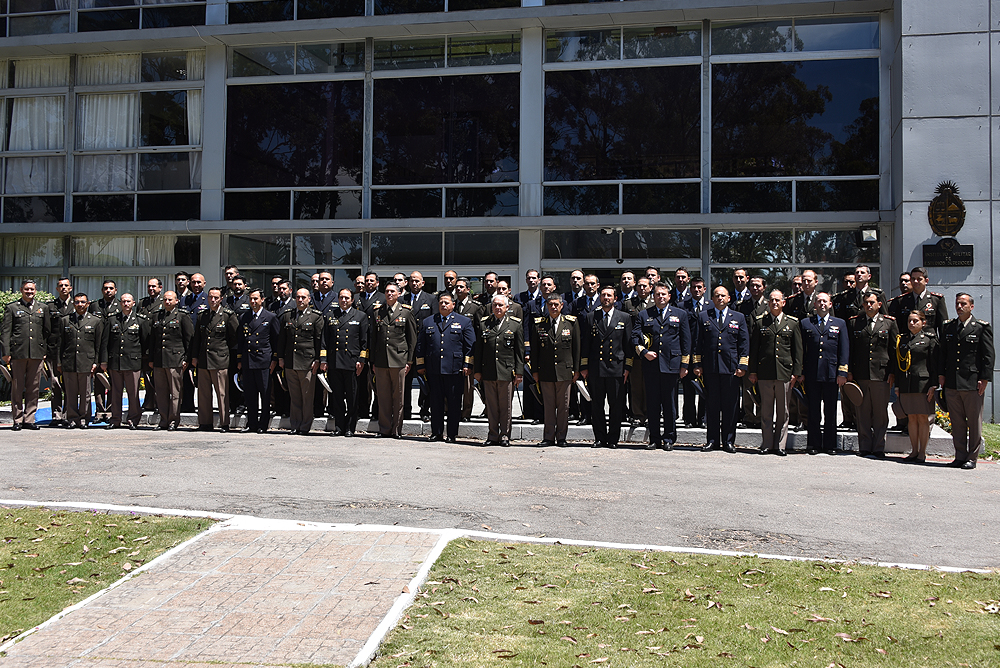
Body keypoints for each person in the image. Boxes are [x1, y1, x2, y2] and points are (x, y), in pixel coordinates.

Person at [938, 293, 994, 469]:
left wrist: (984, 378)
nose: (959, 307)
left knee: (973, 422)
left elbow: (988, 355)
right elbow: (943, 354)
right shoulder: (949, 327)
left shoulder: (981, 328)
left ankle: (972, 457)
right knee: (957, 421)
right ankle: (960, 456)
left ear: (971, 306)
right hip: (953, 382)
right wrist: (941, 375)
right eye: (957, 304)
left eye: (963, 304)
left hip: (972, 382)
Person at [632, 281, 690, 450]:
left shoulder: (680, 314)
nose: (661, 297)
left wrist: (684, 365)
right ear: (653, 296)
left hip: (671, 366)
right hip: (651, 366)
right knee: (653, 404)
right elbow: (635, 338)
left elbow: (686, 341)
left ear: (669, 296)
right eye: (657, 294)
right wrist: (644, 353)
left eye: (663, 294)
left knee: (669, 405)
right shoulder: (644, 315)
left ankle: (669, 439)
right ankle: (655, 439)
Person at [692, 286, 749, 452]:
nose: (720, 298)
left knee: (731, 407)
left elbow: (744, 343)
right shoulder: (704, 316)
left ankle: (729, 441)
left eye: (723, 295)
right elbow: (697, 343)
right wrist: (697, 365)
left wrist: (742, 365)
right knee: (712, 406)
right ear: (712, 298)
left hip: (731, 369)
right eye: (717, 296)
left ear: (729, 298)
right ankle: (712, 440)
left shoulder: (738, 317)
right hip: (710, 368)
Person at [748, 290, 802, 456]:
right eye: (771, 300)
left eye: (777, 300)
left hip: (784, 373)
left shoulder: (792, 323)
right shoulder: (760, 322)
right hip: (765, 373)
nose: (774, 303)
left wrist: (796, 373)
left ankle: (780, 445)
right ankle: (767, 444)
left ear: (783, 302)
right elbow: (754, 349)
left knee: (783, 411)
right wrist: (753, 371)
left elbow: (797, 350)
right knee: (766, 411)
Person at [416, 292, 475, 443]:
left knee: (454, 403)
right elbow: (421, 345)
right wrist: (421, 364)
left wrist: (467, 364)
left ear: (453, 305)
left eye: (446, 302)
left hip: (455, 370)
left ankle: (451, 434)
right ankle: (436, 433)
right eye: (441, 302)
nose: (443, 305)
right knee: (436, 403)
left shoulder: (464, 322)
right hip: (434, 369)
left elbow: (470, 346)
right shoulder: (428, 321)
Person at [580, 285, 632, 449]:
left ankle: (613, 439)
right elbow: (585, 344)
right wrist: (584, 366)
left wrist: (627, 368)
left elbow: (628, 345)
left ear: (615, 298)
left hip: (616, 368)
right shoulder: (591, 317)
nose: (606, 298)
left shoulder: (624, 317)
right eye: (603, 295)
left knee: (616, 406)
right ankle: (600, 438)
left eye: (609, 295)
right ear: (599, 298)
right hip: (596, 368)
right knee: (597, 406)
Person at [848, 292, 898, 458]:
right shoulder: (855, 322)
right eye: (866, 303)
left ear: (879, 304)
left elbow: (894, 350)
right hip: (861, 374)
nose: (869, 305)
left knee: (880, 413)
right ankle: (865, 446)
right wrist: (849, 372)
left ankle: (878, 447)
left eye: (872, 303)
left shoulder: (889, 323)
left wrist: (892, 372)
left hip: (881, 375)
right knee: (862, 412)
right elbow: (851, 350)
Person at [800, 292, 849, 455]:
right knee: (813, 410)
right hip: (812, 373)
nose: (822, 304)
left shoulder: (840, 324)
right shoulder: (806, 323)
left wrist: (842, 372)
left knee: (830, 411)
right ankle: (813, 444)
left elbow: (844, 349)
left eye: (825, 301)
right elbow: (801, 350)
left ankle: (830, 444)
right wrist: (801, 372)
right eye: (819, 301)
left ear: (830, 305)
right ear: (814, 305)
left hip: (831, 373)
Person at [530, 294, 580, 446]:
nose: (553, 307)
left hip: (565, 372)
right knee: (549, 406)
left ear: (562, 305)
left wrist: (576, 370)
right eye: (550, 304)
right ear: (546, 305)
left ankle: (562, 437)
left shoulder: (571, 323)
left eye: (556, 304)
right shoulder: (539, 324)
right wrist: (535, 372)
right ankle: (548, 437)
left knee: (564, 406)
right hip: (546, 372)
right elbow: (535, 350)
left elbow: (576, 348)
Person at [1, 280, 52, 431]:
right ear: (21, 290)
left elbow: (46, 331)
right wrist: (6, 353)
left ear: (36, 290)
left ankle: (29, 419)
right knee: (17, 387)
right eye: (26, 289)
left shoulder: (42, 308)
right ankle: (17, 419)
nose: (29, 292)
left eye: (32, 289)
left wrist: (44, 352)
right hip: (18, 353)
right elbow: (5, 332)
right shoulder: (12, 307)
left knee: (33, 387)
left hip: (36, 353)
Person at [475, 295, 524, 446]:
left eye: (500, 305)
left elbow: (519, 351)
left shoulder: (515, 324)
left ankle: (504, 435)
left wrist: (519, 372)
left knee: (505, 406)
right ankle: (492, 435)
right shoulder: (484, 324)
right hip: (488, 371)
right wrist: (477, 370)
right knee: (491, 406)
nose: (497, 308)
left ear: (507, 307)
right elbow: (479, 349)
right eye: (495, 305)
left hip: (506, 371)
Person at [891, 310, 940, 463]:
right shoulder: (903, 339)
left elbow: (934, 364)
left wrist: (934, 384)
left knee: (923, 418)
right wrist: (898, 386)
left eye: (915, 321)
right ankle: (914, 451)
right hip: (907, 384)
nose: (912, 323)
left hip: (923, 384)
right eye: (910, 321)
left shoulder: (929, 339)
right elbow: (899, 364)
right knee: (911, 418)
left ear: (923, 323)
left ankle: (922, 453)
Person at [371, 282, 418, 438]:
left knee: (398, 396)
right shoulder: (378, 312)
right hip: (381, 360)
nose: (389, 294)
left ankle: (396, 429)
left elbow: (412, 339)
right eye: (387, 291)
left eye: (392, 291)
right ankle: (384, 428)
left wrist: (409, 361)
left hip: (399, 360)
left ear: (398, 294)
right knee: (383, 396)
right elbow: (373, 339)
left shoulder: (406, 312)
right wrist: (373, 361)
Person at [321, 288, 369, 437]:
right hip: (335, 362)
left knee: (352, 397)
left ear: (352, 300)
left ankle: (350, 427)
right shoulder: (330, 316)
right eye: (341, 297)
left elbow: (365, 342)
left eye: (347, 298)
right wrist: (323, 360)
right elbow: (324, 341)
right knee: (337, 397)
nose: (344, 300)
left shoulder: (360, 316)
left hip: (352, 363)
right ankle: (339, 427)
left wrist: (362, 360)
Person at [191, 287, 240, 432]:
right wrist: (194, 357)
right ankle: (205, 423)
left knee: (222, 393)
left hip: (220, 359)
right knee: (204, 393)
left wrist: (233, 358)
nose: (212, 300)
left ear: (221, 299)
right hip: (204, 359)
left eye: (216, 298)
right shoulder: (202, 315)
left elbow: (234, 339)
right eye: (210, 297)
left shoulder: (227, 315)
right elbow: (197, 339)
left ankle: (224, 423)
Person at [54, 292, 105, 429]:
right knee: (70, 393)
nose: (80, 305)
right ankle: (72, 418)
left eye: (83, 302)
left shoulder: (95, 321)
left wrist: (96, 362)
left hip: (86, 362)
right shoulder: (65, 320)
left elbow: (98, 345)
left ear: (88, 304)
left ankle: (83, 418)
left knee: (85, 393)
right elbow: (60, 343)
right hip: (69, 361)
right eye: (77, 302)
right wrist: (59, 362)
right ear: (73, 304)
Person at [277, 289, 325, 435]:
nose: (300, 300)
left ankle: (305, 426)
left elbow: (319, 340)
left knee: (306, 396)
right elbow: (282, 340)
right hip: (291, 361)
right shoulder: (287, 315)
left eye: (303, 297)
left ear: (309, 299)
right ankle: (295, 424)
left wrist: (318, 359)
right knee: (295, 396)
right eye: (298, 297)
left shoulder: (316, 317)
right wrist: (280, 357)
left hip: (307, 362)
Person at [101, 292, 149, 430]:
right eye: (123, 301)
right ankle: (115, 419)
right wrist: (104, 361)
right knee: (115, 393)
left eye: (128, 301)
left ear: (133, 303)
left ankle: (133, 419)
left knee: (133, 393)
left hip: (133, 362)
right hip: (115, 362)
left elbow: (145, 342)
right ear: (120, 303)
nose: (126, 304)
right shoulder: (111, 320)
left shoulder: (140, 320)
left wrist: (143, 360)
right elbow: (105, 343)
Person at [148, 291, 194, 431]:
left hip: (175, 359)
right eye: (165, 300)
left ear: (176, 301)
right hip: (159, 359)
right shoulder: (157, 315)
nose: (167, 302)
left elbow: (189, 339)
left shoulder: (182, 316)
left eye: (170, 300)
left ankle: (173, 420)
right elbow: (152, 340)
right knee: (161, 392)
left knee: (175, 393)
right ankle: (163, 420)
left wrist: (187, 359)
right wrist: (151, 358)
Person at [237, 288, 279, 434]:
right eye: (251, 299)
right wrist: (240, 360)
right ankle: (252, 423)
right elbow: (241, 340)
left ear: (262, 300)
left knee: (265, 395)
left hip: (263, 361)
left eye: (256, 299)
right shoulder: (244, 317)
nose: (253, 301)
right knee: (250, 395)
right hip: (248, 361)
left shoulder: (270, 317)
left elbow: (276, 340)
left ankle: (263, 424)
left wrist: (274, 359)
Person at [87, 279, 121, 423]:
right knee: (99, 381)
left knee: (113, 382)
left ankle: (110, 411)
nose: (108, 290)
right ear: (102, 290)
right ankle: (99, 411)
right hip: (96, 346)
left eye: (111, 288)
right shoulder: (95, 305)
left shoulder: (120, 305)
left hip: (113, 347)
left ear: (115, 290)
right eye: (106, 288)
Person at [402, 271, 435, 421]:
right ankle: (406, 411)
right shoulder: (403, 299)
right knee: (405, 382)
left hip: (424, 347)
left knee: (425, 381)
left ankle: (425, 410)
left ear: (422, 283)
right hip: (406, 347)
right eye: (412, 281)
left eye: (417, 281)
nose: (414, 283)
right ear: (408, 283)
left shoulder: (431, 299)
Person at [455, 277, 484, 421]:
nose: (458, 289)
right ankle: (452, 410)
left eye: (461, 287)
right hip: (453, 350)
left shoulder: (476, 307)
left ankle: (466, 413)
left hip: (468, 350)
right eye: (457, 287)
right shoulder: (452, 305)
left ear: (468, 289)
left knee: (467, 386)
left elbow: (478, 332)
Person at [46, 277, 75, 426]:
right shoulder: (50, 306)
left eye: (66, 286)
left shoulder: (77, 305)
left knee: (70, 386)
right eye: (60, 286)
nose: (64, 288)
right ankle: (57, 416)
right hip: (53, 351)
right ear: (57, 289)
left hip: (71, 352)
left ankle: (68, 415)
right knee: (55, 385)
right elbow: (45, 330)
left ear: (70, 288)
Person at [682, 277, 708, 428]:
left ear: (704, 289)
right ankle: (689, 419)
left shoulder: (711, 306)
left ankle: (703, 418)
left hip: (705, 355)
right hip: (688, 354)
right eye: (693, 287)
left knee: (705, 389)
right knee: (688, 389)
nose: (696, 290)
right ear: (690, 289)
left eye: (699, 287)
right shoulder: (682, 306)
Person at [904, 267, 948, 336]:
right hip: (909, 343)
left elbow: (943, 327)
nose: (915, 281)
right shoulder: (902, 300)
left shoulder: (936, 300)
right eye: (913, 279)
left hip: (929, 343)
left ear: (926, 281)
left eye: (919, 279)